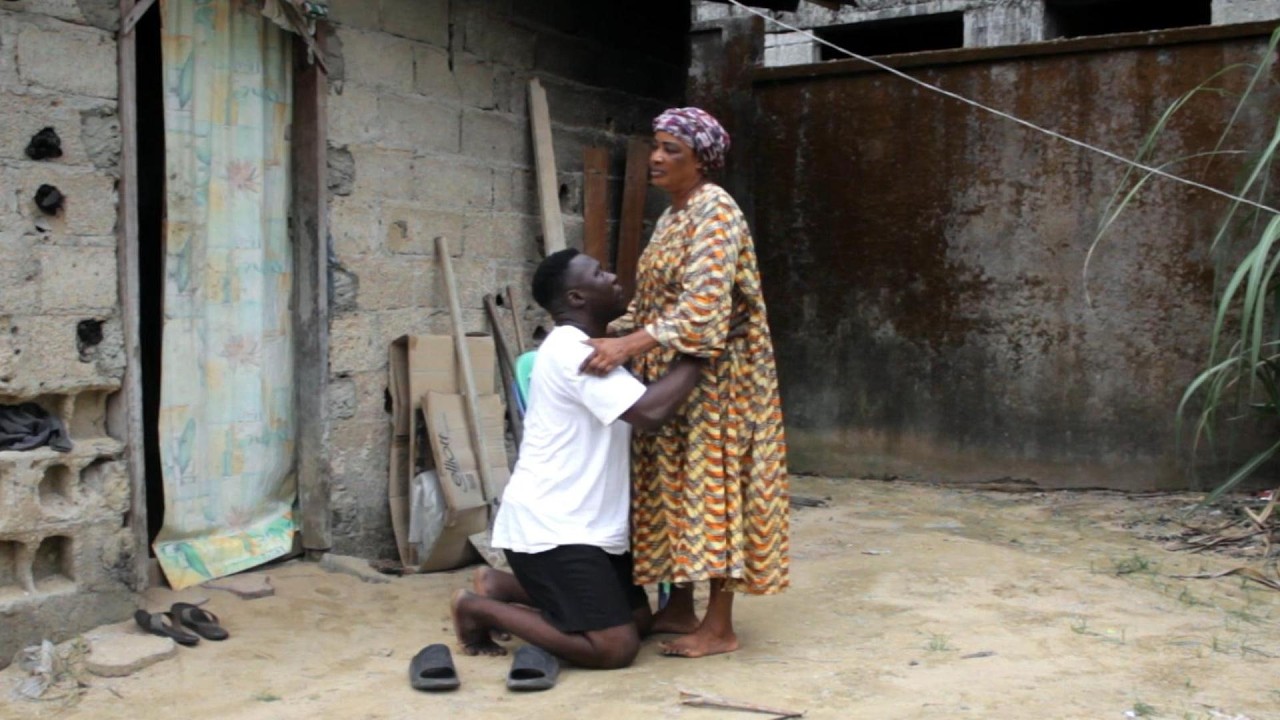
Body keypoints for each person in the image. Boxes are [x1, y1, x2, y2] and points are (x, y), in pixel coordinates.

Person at [578, 107, 790, 658]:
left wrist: (626, 345)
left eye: (672, 149)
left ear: (702, 161)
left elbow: (701, 311)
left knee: (715, 490)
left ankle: (719, 626)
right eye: (655, 144)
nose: (656, 157)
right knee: (674, 487)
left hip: (721, 382)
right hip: (676, 372)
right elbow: (653, 306)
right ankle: (677, 605)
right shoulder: (674, 217)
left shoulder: (716, 211)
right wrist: (589, 334)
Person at [450, 248, 704, 671]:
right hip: (554, 529)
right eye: (600, 274)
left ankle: (499, 585)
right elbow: (649, 413)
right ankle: (477, 610)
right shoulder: (573, 352)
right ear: (576, 298)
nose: (614, 278)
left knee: (638, 621)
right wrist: (699, 352)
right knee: (615, 648)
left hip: (588, 527)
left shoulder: (596, 348)